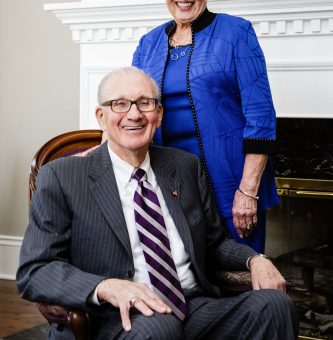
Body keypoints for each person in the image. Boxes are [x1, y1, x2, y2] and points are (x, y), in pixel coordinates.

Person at [17, 67, 299, 340]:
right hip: (115, 318)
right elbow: (36, 270)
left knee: (275, 306)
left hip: (191, 308)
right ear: (101, 117)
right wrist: (105, 287)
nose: (134, 114)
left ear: (159, 114)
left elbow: (213, 243)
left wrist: (255, 260)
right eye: (120, 104)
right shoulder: (62, 175)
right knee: (160, 328)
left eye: (145, 103)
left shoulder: (184, 166)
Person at [132, 0, 279, 253]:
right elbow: (130, 110)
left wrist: (248, 191)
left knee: (241, 273)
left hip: (232, 184)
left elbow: (261, 117)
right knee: (185, 279)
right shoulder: (148, 44)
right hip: (170, 186)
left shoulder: (236, 33)